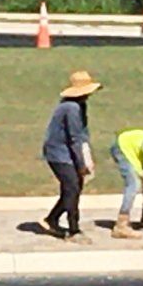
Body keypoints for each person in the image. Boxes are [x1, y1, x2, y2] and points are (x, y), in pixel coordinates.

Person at [40, 69, 101, 243]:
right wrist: (82, 163)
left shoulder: (78, 106)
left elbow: (81, 136)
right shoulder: (71, 108)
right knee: (72, 188)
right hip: (59, 153)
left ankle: (51, 219)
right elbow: (75, 138)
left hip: (66, 152)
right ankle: (73, 229)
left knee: (72, 188)